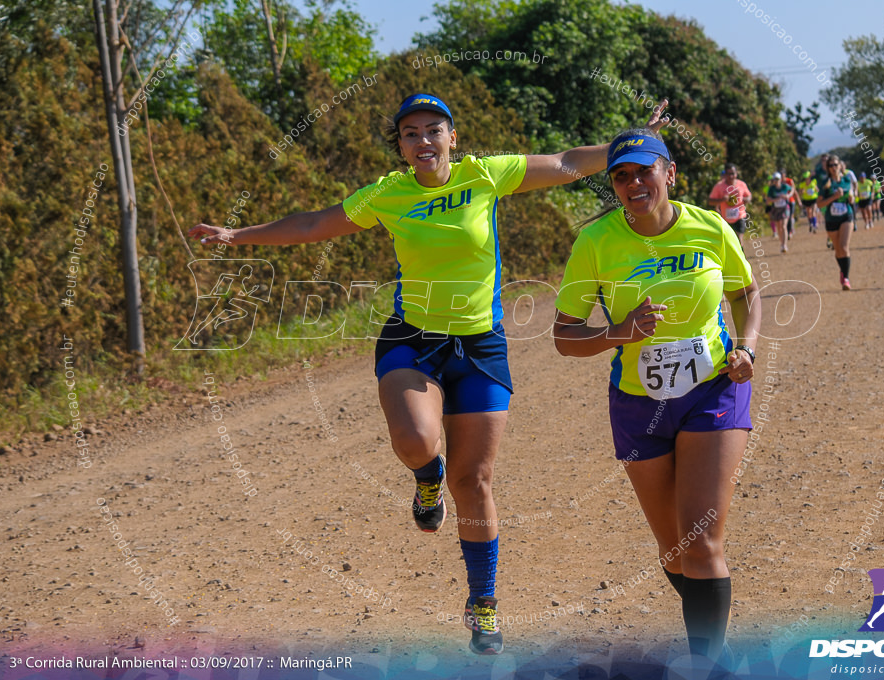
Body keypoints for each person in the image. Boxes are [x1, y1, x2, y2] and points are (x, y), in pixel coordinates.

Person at [189, 93, 668, 656]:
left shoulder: (485, 176)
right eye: (410, 133)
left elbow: (564, 162)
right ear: (401, 146)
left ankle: (483, 605)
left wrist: (628, 142)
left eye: (433, 130)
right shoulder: (387, 194)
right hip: (411, 338)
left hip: (480, 345)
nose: (422, 141)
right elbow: (318, 222)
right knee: (416, 440)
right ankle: (426, 475)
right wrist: (237, 235)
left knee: (476, 483)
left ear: (452, 138)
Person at [552, 128, 761, 670]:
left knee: (701, 545)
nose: (632, 182)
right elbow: (564, 336)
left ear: (669, 173)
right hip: (637, 404)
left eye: (644, 170)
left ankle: (705, 663)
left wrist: (748, 351)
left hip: (712, 391)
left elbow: (746, 293)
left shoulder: (710, 226)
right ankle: (714, 643)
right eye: (621, 175)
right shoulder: (595, 243)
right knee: (674, 551)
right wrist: (618, 333)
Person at [815, 155, 855, 290]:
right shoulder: (825, 184)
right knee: (838, 250)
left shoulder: (846, 180)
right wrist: (834, 197)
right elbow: (819, 204)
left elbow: (852, 197)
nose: (833, 168)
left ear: (840, 166)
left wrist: (851, 198)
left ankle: (846, 278)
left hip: (846, 216)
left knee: (844, 247)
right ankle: (842, 271)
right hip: (831, 219)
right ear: (828, 168)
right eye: (830, 165)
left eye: (835, 165)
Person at [707, 163, 752, 249]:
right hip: (726, 218)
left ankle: (740, 257)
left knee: (739, 238)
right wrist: (722, 200)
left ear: (736, 173)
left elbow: (749, 195)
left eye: (733, 173)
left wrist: (748, 199)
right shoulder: (719, 186)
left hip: (740, 216)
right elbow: (710, 201)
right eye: (728, 174)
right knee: (729, 241)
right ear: (725, 175)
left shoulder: (741, 184)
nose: (731, 176)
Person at [765, 172, 796, 252]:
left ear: (780, 179)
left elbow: (792, 188)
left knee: (784, 226)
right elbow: (768, 200)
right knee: (779, 227)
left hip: (785, 208)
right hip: (776, 209)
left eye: (777, 179)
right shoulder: (771, 189)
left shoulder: (785, 186)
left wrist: (788, 196)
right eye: (774, 179)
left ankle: (784, 245)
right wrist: (777, 199)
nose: (776, 181)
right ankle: (782, 243)